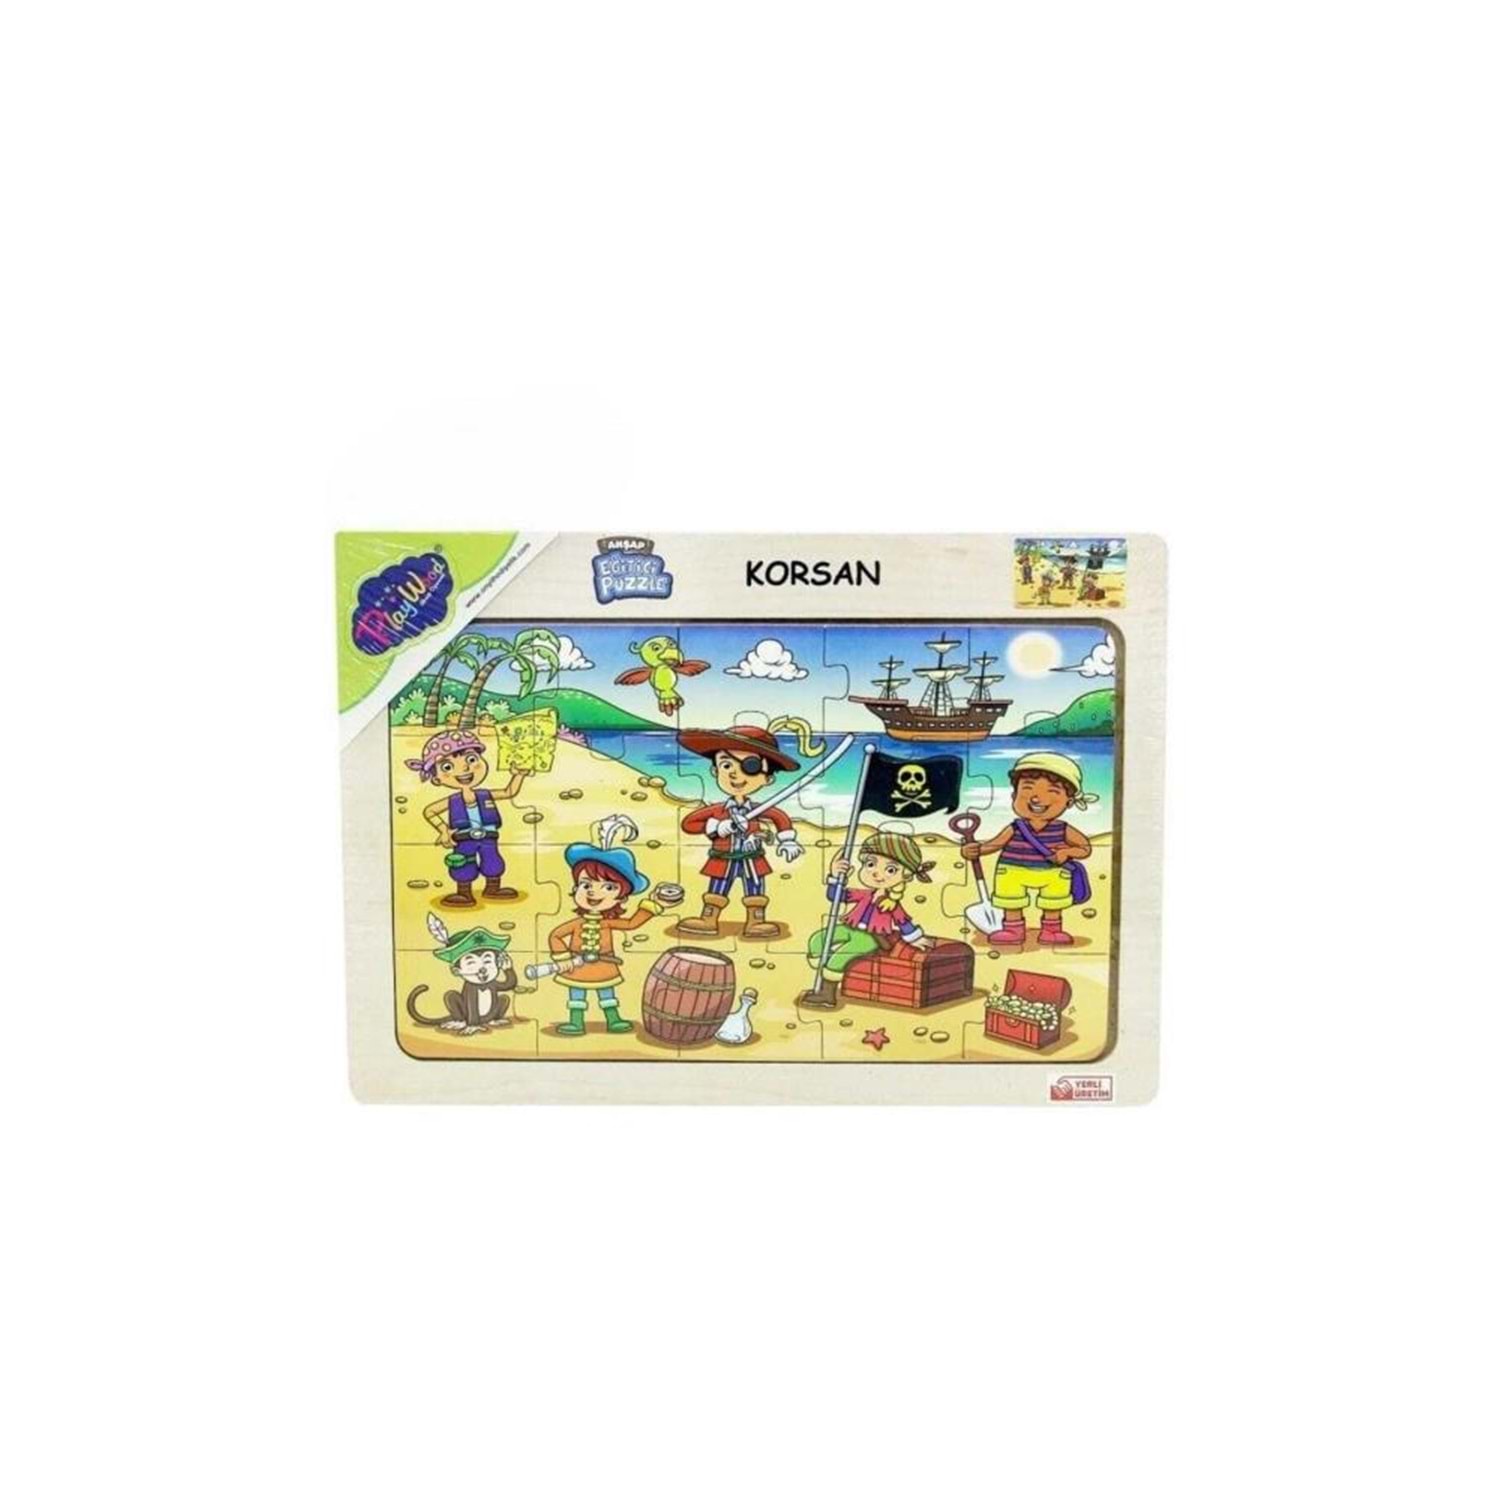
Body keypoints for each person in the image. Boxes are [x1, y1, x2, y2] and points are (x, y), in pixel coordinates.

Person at [546, 824, 682, 1036]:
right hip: (577, 965)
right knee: (576, 995)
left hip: (604, 965)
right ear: (575, 888)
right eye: (586, 885)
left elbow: (631, 924)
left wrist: (654, 904)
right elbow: (555, 935)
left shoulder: (608, 923)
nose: (594, 892)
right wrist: (564, 958)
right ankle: (576, 1022)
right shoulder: (576, 923)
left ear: (622, 897)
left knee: (607, 993)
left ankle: (613, 1019)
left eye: (609, 887)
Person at [675, 723, 806, 938]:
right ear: (715, 771)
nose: (735, 774)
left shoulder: (758, 810)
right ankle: (708, 919)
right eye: (726, 765)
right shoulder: (718, 811)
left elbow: (780, 818)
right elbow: (689, 823)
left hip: (752, 858)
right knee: (717, 886)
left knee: (755, 887)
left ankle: (756, 921)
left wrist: (787, 840)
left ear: (767, 778)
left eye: (750, 766)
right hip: (722, 857)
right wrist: (718, 827)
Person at [960, 751, 1095, 946]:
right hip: (1013, 870)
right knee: (1010, 898)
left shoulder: (1063, 829)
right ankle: (1012, 929)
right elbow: (995, 844)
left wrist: (1066, 852)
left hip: (1052, 872)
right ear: (1014, 795)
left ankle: (1051, 930)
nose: (1036, 798)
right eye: (1028, 788)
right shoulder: (1015, 827)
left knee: (1054, 900)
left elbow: (1084, 847)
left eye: (1052, 791)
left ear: (1069, 801)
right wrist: (976, 850)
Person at [802, 826, 936, 1006]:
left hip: (871, 937)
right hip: (850, 928)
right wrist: (835, 876)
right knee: (818, 940)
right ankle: (823, 971)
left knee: (839, 957)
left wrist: (915, 938)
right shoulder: (864, 894)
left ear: (905, 875)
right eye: (871, 864)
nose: (876, 873)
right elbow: (836, 896)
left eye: (890, 870)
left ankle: (827, 994)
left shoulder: (891, 903)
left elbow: (903, 922)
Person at [407, 727, 529, 907]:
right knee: (463, 864)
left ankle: (492, 888)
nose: (464, 768)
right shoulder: (452, 800)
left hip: (488, 836)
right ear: (437, 778)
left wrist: (518, 775)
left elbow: (508, 792)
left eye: (471, 759)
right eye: (447, 767)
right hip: (463, 839)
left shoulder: (485, 795)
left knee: (493, 861)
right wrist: (444, 830)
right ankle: (464, 893)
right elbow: (429, 811)